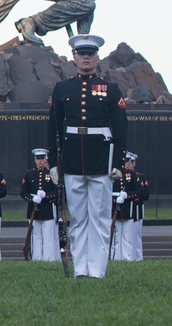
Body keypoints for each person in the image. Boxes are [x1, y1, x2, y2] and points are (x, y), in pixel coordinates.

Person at [48, 33, 127, 279]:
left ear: (97, 58)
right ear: (73, 57)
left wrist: (118, 163)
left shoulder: (111, 90)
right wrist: (53, 163)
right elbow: (54, 128)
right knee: (79, 219)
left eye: (90, 54)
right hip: (72, 162)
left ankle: (97, 270)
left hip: (102, 161)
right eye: (81, 54)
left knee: (100, 218)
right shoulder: (62, 88)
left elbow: (121, 129)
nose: (86, 58)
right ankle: (81, 269)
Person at [20, 148, 59, 261]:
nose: (40, 161)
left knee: (48, 237)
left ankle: (49, 258)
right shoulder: (29, 174)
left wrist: (46, 195)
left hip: (48, 210)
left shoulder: (52, 173)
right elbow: (23, 192)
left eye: (42, 158)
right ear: (35, 160)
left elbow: (58, 192)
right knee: (35, 236)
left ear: (46, 159)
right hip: (34, 210)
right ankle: (36, 258)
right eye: (38, 159)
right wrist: (32, 198)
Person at [110, 150, 142, 261]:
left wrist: (127, 195)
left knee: (127, 238)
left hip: (128, 209)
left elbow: (138, 191)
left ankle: (127, 258)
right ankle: (116, 258)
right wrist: (115, 199)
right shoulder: (112, 173)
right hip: (115, 209)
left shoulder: (132, 174)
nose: (126, 163)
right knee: (116, 237)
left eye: (128, 161)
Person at [123, 152, 149, 261]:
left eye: (131, 162)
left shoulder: (140, 176)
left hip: (136, 208)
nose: (128, 164)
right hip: (125, 208)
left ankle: (138, 257)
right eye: (127, 162)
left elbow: (144, 194)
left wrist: (133, 198)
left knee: (136, 236)